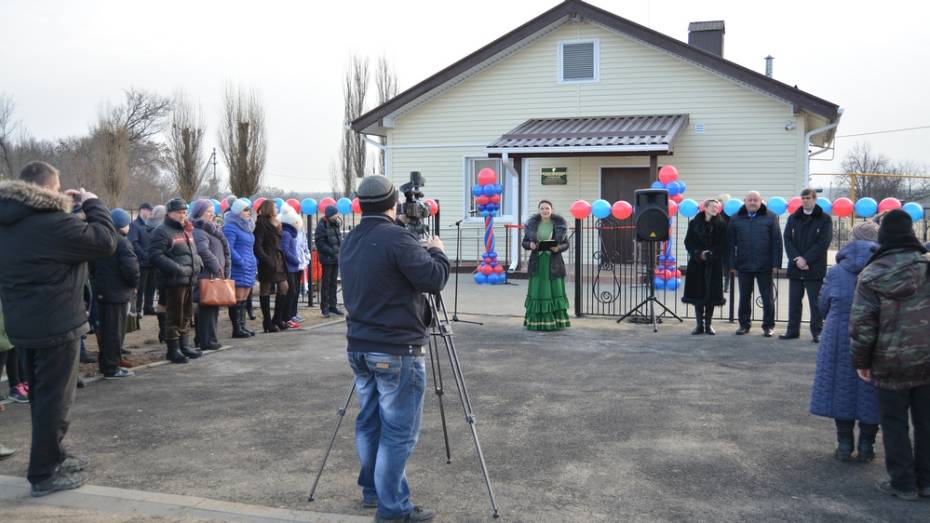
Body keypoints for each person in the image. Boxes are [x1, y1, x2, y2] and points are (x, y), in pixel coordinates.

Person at [0, 161, 117, 496]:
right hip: (56, 323)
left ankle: (53, 455)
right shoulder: (52, 224)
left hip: (23, 324)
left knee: (42, 396)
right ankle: (43, 473)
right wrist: (93, 203)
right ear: (50, 190)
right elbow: (106, 241)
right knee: (55, 401)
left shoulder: (9, 221)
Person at [341, 175, 449, 522]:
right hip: (396, 350)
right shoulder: (397, 239)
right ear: (393, 204)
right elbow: (432, 279)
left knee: (369, 423)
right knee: (398, 433)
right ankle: (393, 509)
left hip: (359, 346)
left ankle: (375, 491)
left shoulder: (352, 239)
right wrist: (437, 252)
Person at [851, 209, 930, 501]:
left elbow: (862, 323)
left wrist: (861, 361)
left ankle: (904, 483)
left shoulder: (872, 273)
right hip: (927, 359)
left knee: (894, 422)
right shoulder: (927, 266)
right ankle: (927, 480)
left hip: (889, 360)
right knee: (926, 422)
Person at [810, 221, 880, 462]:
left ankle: (844, 444)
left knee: (840, 388)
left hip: (839, 334)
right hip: (875, 335)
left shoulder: (836, 271)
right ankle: (867, 446)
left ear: (851, 239)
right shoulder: (883, 268)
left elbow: (822, 305)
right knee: (872, 390)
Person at [149, 198, 203, 363]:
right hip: (173, 281)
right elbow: (155, 255)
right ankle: (173, 349)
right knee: (174, 315)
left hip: (188, 279)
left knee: (186, 314)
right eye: (179, 212)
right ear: (169, 213)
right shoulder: (162, 231)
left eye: (185, 212)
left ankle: (184, 345)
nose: (183, 215)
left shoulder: (186, 230)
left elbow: (191, 252)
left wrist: (198, 263)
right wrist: (176, 269)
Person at [91, 208, 140, 379]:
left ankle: (107, 363)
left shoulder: (101, 241)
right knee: (114, 332)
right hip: (117, 293)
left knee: (105, 331)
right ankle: (111, 367)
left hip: (102, 292)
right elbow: (131, 269)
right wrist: (134, 284)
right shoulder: (122, 242)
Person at [728, 191, 783, 337]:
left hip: (764, 265)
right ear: (744, 201)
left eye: (755, 200)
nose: (752, 202)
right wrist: (732, 264)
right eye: (750, 200)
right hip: (744, 264)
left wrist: (776, 263)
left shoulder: (770, 217)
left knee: (767, 298)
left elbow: (777, 241)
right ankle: (744, 325)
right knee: (744, 297)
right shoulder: (735, 218)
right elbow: (730, 244)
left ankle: (768, 326)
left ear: (761, 202)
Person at [781, 188, 832, 342]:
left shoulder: (824, 219)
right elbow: (787, 239)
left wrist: (806, 260)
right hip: (796, 267)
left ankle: (817, 332)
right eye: (803, 198)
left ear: (815, 199)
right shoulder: (793, 218)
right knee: (794, 301)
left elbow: (823, 242)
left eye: (808, 198)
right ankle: (792, 330)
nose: (805, 201)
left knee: (815, 303)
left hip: (814, 267)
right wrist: (797, 259)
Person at [521, 200, 571, 331]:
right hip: (537, 264)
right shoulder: (531, 226)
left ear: (552, 210)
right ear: (539, 210)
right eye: (542, 208)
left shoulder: (560, 225)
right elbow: (524, 242)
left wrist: (558, 248)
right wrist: (530, 245)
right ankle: (536, 322)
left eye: (547, 208)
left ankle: (556, 321)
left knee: (554, 291)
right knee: (538, 290)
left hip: (554, 264)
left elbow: (566, 244)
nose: (545, 211)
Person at [682, 198, 728, 335]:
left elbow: (723, 244)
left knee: (711, 295)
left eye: (717, 207)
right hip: (696, 264)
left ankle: (708, 325)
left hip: (714, 264)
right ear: (705, 208)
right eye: (713, 206)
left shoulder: (721, 224)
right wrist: (698, 253)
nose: (716, 209)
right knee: (697, 294)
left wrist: (711, 254)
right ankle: (699, 325)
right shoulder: (694, 223)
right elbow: (688, 241)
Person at [192, 199, 231, 351]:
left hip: (214, 274)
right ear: (199, 213)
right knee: (206, 310)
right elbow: (203, 251)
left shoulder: (212, 229)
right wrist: (216, 265)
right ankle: (206, 340)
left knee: (212, 309)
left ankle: (209, 338)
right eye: (207, 212)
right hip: (207, 275)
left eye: (211, 211)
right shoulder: (199, 231)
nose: (211, 214)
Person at [253, 200, 290, 332]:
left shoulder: (277, 221)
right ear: (269, 208)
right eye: (274, 207)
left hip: (278, 258)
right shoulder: (261, 223)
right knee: (266, 288)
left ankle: (277, 319)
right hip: (268, 259)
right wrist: (266, 259)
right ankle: (267, 322)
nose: (277, 208)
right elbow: (257, 245)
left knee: (284, 286)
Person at [223, 199, 257, 338]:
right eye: (245, 210)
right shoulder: (230, 227)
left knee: (243, 298)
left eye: (249, 209)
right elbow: (229, 247)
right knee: (236, 298)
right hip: (239, 266)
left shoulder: (248, 226)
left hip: (249, 265)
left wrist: (253, 261)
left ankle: (242, 326)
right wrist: (240, 260)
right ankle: (236, 328)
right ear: (237, 211)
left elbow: (250, 247)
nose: (248, 212)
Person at [315, 204, 344, 319]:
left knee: (333, 283)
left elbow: (338, 240)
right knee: (326, 283)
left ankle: (333, 306)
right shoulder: (322, 225)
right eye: (335, 214)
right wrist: (332, 251)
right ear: (330, 215)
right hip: (327, 258)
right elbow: (320, 243)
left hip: (335, 258)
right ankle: (325, 308)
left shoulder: (335, 224)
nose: (338, 216)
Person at [128, 202, 156, 317]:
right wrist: (144, 255)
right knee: (140, 288)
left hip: (152, 261)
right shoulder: (134, 225)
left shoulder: (149, 225)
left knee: (151, 286)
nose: (150, 213)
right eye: (149, 210)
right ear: (142, 210)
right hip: (142, 262)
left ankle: (148, 307)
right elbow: (133, 243)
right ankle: (138, 309)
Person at [147, 205, 168, 343]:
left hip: (156, 267)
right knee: (164, 300)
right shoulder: (159, 229)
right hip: (161, 268)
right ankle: (164, 331)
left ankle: (163, 330)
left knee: (162, 300)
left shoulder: (148, 226)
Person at [279, 204, 302, 328]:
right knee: (290, 291)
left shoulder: (289, 233)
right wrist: (295, 260)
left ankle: (288, 316)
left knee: (292, 291)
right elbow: (285, 250)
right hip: (289, 266)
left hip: (292, 266)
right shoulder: (287, 234)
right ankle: (286, 317)